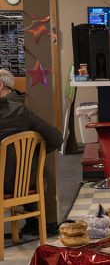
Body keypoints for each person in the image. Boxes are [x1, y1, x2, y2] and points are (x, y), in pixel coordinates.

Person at [0, 69, 61, 236]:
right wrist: (34, 153)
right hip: (27, 181)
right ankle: (32, 224)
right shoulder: (23, 110)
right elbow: (56, 138)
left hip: (3, 184)